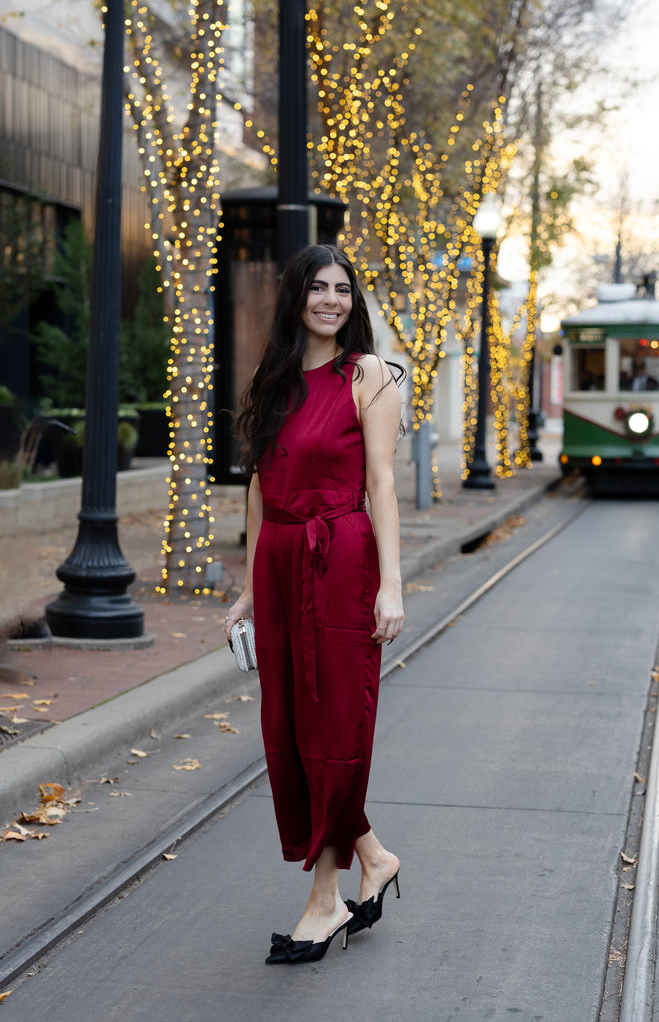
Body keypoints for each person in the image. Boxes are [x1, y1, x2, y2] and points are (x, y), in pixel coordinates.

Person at [225, 244, 404, 965]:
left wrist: (391, 584)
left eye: (343, 289)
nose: (331, 300)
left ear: (352, 302)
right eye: (318, 288)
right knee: (292, 728)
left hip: (342, 560)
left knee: (333, 726)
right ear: (297, 296)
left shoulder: (368, 376)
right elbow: (260, 490)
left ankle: (325, 900)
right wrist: (245, 586)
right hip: (278, 564)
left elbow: (383, 484)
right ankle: (376, 857)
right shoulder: (274, 382)